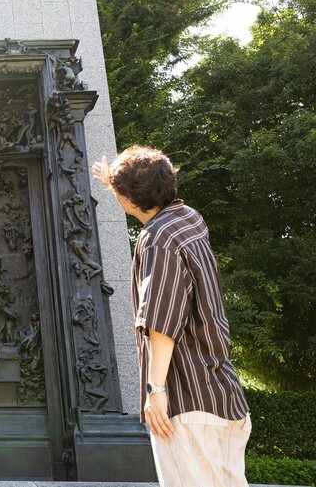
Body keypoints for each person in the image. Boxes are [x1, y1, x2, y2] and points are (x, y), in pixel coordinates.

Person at [92, 146, 250, 487]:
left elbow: (162, 322)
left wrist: (156, 391)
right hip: (221, 393)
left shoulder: (157, 240)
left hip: (187, 404)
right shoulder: (188, 219)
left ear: (129, 197)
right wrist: (116, 177)